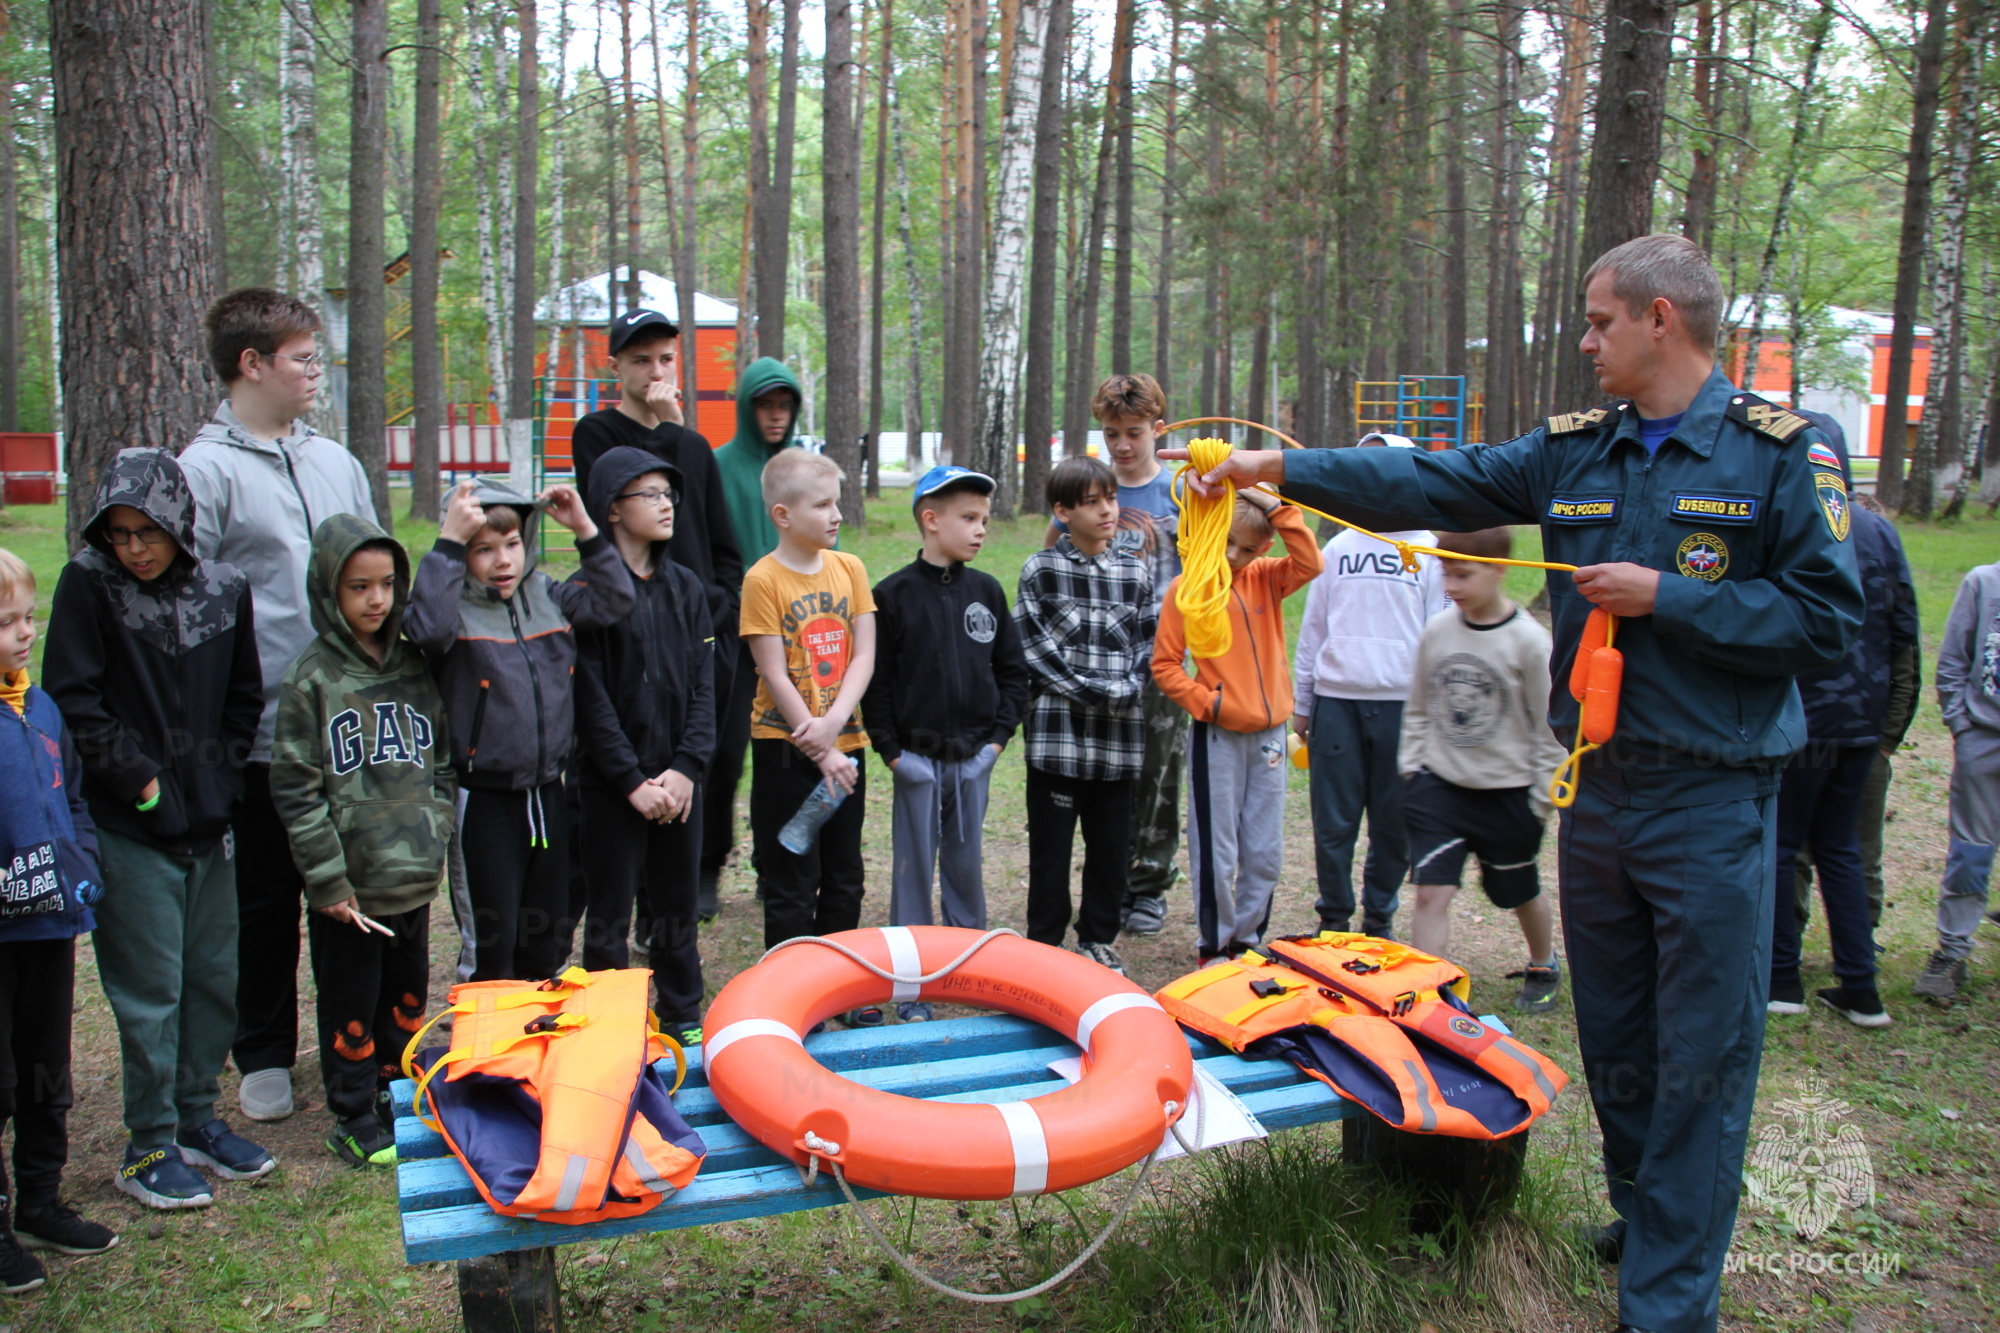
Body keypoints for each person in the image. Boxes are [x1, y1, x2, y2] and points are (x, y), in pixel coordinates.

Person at [1168, 234, 1862, 1333]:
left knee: (1701, 1053)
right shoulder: (1579, 448)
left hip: (1713, 800)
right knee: (1619, 1036)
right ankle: (1646, 1217)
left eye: (1597, 321)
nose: (1583, 341)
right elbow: (1432, 479)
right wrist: (1275, 470)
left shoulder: (1779, 452)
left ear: (1658, 323)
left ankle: (1671, 1299)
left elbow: (1827, 623)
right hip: (1597, 792)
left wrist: (1664, 597)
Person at [44, 449, 272, 1210]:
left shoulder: (224, 589)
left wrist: (221, 778)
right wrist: (140, 783)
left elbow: (245, 696)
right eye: (119, 533)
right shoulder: (90, 586)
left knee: (212, 977)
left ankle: (198, 1117)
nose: (135, 547)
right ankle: (147, 1143)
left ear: (180, 523)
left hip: (210, 825)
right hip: (130, 827)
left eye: (149, 531)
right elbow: (74, 699)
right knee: (150, 990)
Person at [179, 287, 377, 1124]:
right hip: (260, 735)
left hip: (349, 728)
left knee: (350, 895)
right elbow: (191, 610)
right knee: (263, 900)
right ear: (250, 365)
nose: (316, 374)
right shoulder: (203, 470)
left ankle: (355, 1045)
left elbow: (376, 575)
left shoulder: (336, 459)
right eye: (302, 359)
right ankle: (261, 1050)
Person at [270, 516, 455, 1169]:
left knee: (406, 995)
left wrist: (435, 825)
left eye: (385, 585)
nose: (376, 600)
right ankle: (351, 1111)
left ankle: (395, 1092)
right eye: (358, 587)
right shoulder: (312, 678)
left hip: (409, 875)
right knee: (351, 999)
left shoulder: (412, 666)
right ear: (329, 590)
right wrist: (327, 879)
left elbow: (440, 760)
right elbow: (295, 788)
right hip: (351, 890)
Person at [404, 479, 633, 982]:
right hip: (484, 801)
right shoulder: (451, 609)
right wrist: (446, 543)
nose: (502, 560)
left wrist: (586, 530)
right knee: (492, 939)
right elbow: (425, 631)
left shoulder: (547, 595)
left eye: (511, 545)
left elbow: (615, 602)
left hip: (549, 793)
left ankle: (533, 1042)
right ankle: (488, 1051)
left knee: (547, 931)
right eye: (483, 549)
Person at [569, 310, 744, 923]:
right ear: (615, 366)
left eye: (666, 358)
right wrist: (674, 429)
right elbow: (619, 482)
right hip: (629, 626)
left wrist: (719, 607)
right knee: (640, 748)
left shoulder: (694, 447)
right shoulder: (596, 431)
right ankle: (638, 891)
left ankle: (694, 876)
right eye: (641, 360)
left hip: (700, 625)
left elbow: (722, 542)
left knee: (709, 751)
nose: (656, 371)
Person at [863, 466, 1031, 1020]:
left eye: (984, 518)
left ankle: (969, 967)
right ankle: (912, 980)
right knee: (914, 867)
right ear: (931, 521)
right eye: (969, 518)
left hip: (973, 758)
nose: (981, 529)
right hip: (916, 759)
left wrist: (996, 745)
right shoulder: (891, 596)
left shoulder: (986, 590)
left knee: (965, 864)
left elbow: (1012, 670)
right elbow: (878, 682)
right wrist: (892, 753)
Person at [0, 548, 118, 1286]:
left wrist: (83, 861)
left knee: (47, 1070)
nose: (21, 633)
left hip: (48, 925)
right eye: (3, 621)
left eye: (26, 617)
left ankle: (40, 1198)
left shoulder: (38, 707)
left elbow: (71, 793)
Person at [571, 448, 715, 1046]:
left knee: (677, 904)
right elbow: (590, 699)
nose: (665, 505)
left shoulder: (686, 587)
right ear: (611, 509)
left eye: (669, 494)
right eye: (649, 495)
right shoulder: (584, 594)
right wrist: (630, 782)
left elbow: (708, 682)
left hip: (680, 784)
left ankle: (683, 1011)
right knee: (609, 915)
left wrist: (686, 768)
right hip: (612, 789)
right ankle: (608, 1022)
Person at [1398, 528, 1568, 1012]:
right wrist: (1413, 767)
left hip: (1507, 794)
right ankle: (1431, 995)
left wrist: (1539, 800)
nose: (1452, 584)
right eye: (1446, 572)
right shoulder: (1438, 630)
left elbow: (1549, 728)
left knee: (1517, 890)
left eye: (1464, 574)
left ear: (1499, 570)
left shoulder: (1530, 642)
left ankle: (1543, 962)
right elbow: (1417, 706)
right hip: (1439, 789)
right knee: (1432, 893)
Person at [1150, 486, 1321, 963]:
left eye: (1247, 548)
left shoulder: (1267, 576)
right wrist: (1211, 705)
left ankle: (1247, 941)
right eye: (1227, 541)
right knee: (1217, 850)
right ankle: (1214, 945)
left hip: (1269, 738)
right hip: (1218, 736)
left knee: (1264, 850)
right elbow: (1165, 665)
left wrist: (1274, 506)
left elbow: (1311, 562)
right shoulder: (1187, 588)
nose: (1233, 555)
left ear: (1264, 548)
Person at [1291, 431, 1449, 938]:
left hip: (1404, 707)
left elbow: (1438, 633)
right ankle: (1333, 918)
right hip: (1338, 702)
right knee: (1333, 823)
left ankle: (1379, 917)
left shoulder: (1430, 551)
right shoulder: (1338, 547)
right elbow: (1314, 628)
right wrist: (1303, 702)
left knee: (1393, 824)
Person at [1044, 374, 1184, 939]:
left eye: (1133, 433)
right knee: (1106, 775)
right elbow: (1050, 560)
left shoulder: (1178, 492)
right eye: (1111, 434)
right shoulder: (1091, 491)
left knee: (1159, 773)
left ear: (1158, 429)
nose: (1122, 446)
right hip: (1095, 660)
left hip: (1161, 658)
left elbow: (1202, 571)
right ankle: (1108, 880)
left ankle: (1149, 884)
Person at [1767, 500, 1915, 1026]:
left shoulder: (1789, 515)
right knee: (1841, 848)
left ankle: (1782, 980)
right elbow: (1905, 626)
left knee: (1781, 846)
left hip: (1804, 711)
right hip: (1862, 716)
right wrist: (1888, 720)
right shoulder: (1881, 531)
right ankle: (1861, 987)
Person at [740, 450, 877, 982]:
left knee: (845, 874)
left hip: (845, 746)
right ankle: (789, 989)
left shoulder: (851, 568)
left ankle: (838, 984)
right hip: (784, 750)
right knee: (792, 876)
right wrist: (817, 745)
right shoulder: (763, 580)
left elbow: (862, 655)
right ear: (783, 515)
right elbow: (773, 673)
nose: (836, 515)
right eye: (822, 505)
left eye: (836, 503)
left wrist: (836, 728)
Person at [1017, 456, 1157, 976]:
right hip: (1058, 739)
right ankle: (1044, 946)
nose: (1107, 510)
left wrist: (1124, 690)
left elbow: (1149, 644)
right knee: (1050, 854)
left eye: (1112, 498)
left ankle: (1098, 938)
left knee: (1110, 851)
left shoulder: (1134, 571)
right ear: (1063, 511)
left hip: (1119, 743)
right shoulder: (1041, 570)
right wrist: (1095, 690)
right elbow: (1032, 647)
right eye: (1093, 501)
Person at [710, 357, 809, 920]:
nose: (776, 416)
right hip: (732, 635)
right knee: (722, 758)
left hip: (793, 640)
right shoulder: (720, 466)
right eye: (765, 405)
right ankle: (708, 866)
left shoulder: (801, 469)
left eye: (784, 405)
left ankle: (776, 869)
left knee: (783, 762)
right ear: (747, 409)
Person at [1917, 554, 2000, 1002]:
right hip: (1984, 742)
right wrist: (1962, 725)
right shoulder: (1983, 583)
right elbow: (1952, 660)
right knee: (1971, 851)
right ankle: (1952, 950)